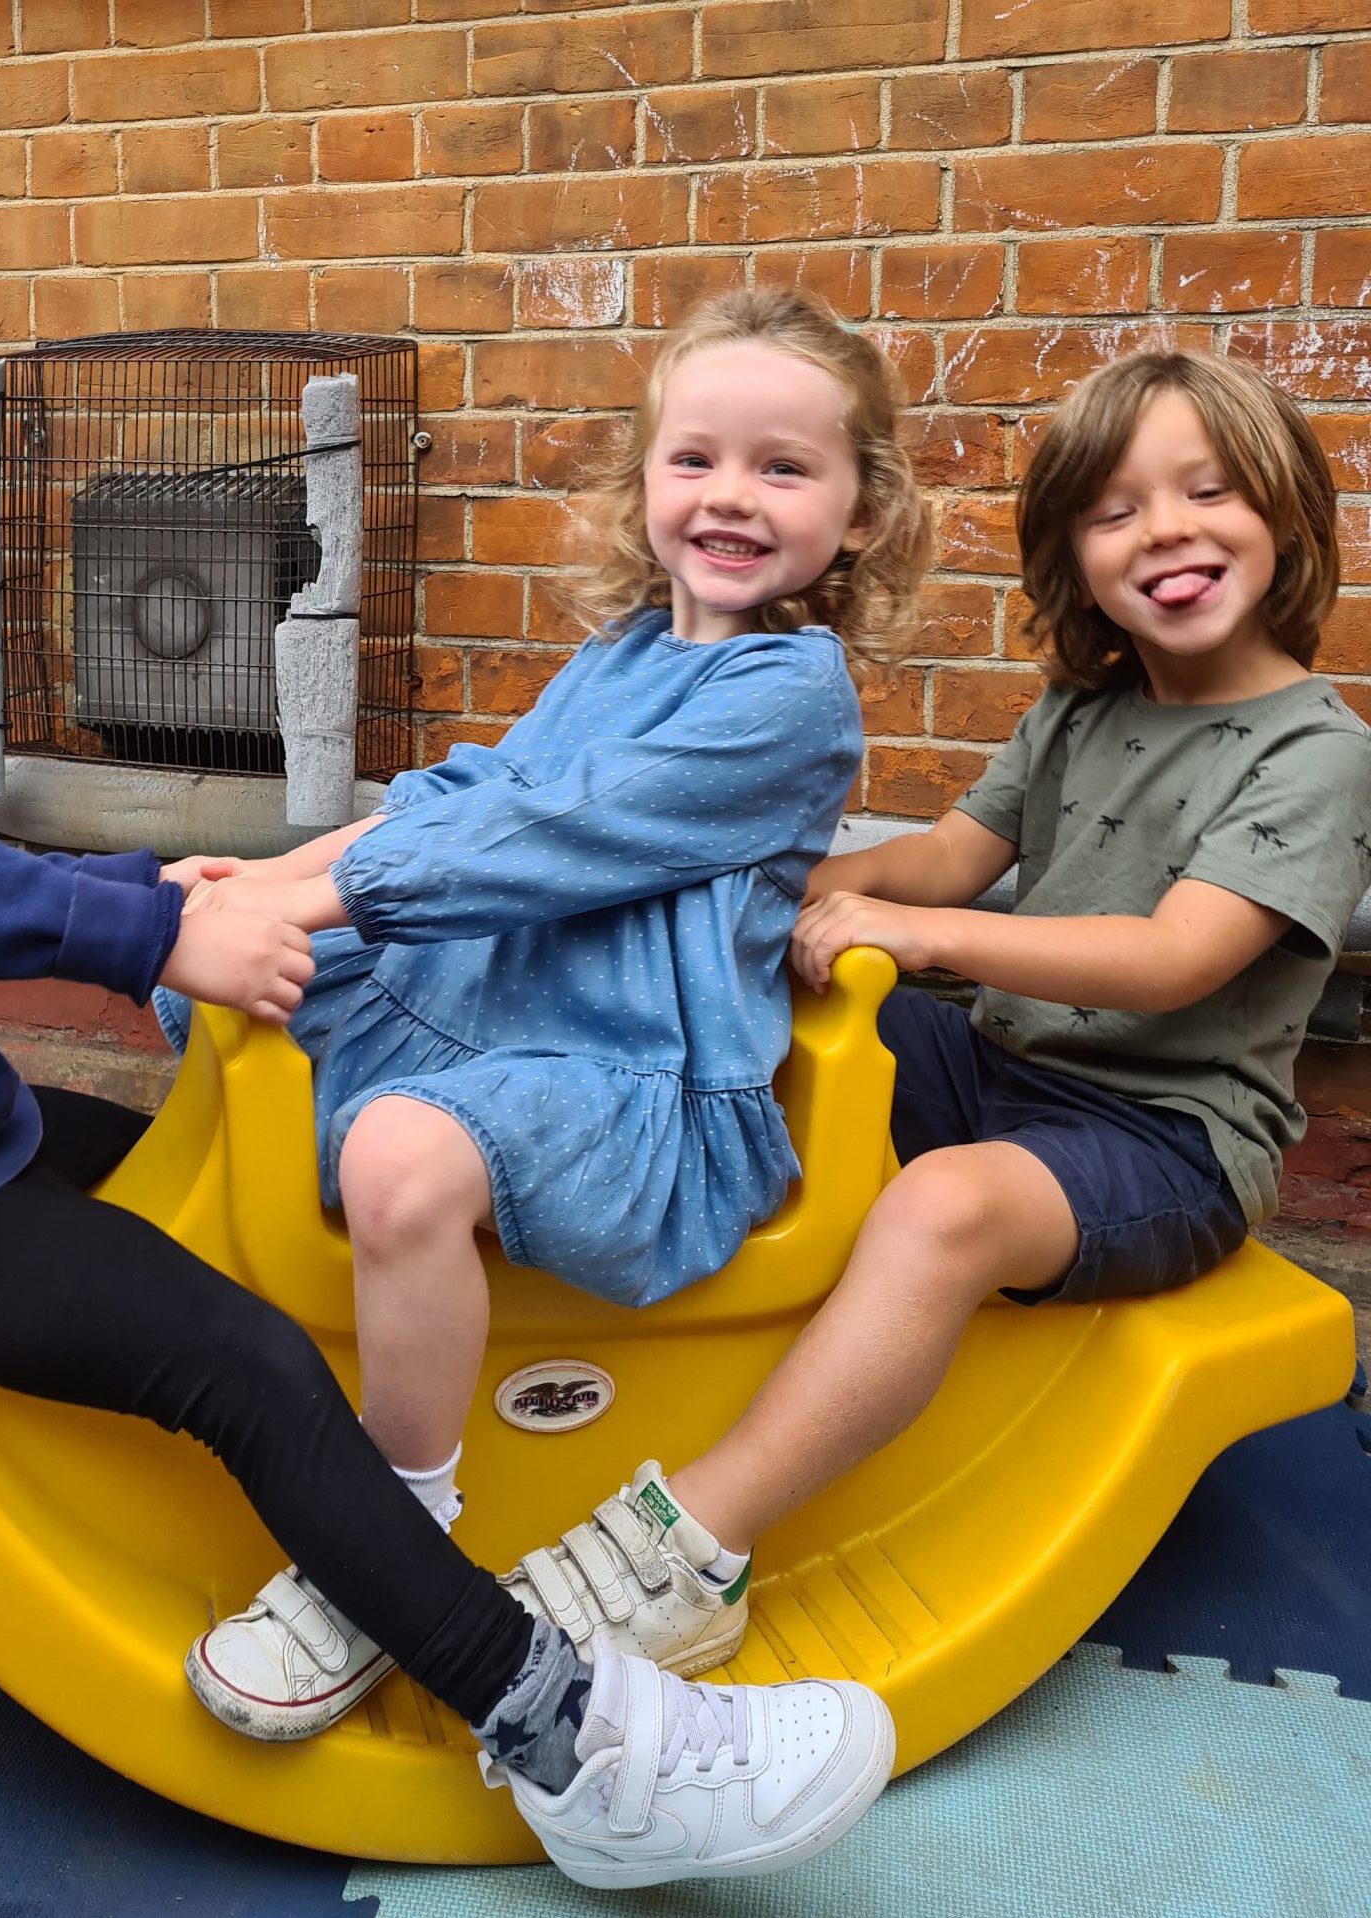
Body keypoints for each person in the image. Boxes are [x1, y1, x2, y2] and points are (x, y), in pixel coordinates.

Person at [0, 360, 895, 1891]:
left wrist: (165, 903)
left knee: (204, 1173)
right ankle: (573, 1739)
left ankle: (358, 1549)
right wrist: (142, 934)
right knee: (248, 1365)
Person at [492, 348, 1371, 1677]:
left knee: (942, 1205)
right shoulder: (1086, 704)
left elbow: (1175, 956)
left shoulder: (1320, 752)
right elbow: (947, 854)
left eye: (1211, 491)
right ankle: (604, 1265)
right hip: (1001, 1060)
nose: (1169, 531)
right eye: (1118, 508)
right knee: (762, 1020)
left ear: (1288, 518)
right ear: (1075, 552)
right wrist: (767, 894)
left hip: (1161, 1136)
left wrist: (914, 935)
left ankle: (695, 1547)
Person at [165, 288, 931, 1737]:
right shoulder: (626, 652)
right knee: (206, 970)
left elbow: (551, 837)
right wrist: (252, 880)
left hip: (636, 1080)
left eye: (785, 467)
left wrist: (303, 907)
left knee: (398, 1150)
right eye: (695, 457)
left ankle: (384, 1549)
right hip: (503, 1009)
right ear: (644, 479)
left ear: (863, 508)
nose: (730, 497)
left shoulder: (790, 696)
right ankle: (223, 1309)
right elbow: (470, 797)